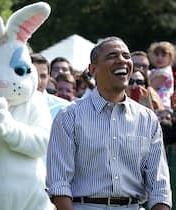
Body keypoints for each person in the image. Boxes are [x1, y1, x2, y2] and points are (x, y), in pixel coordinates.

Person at [46, 36, 172, 210]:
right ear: (93, 69)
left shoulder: (148, 119)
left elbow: (160, 187)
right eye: (112, 56)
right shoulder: (69, 116)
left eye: (126, 56)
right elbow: (58, 183)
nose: (122, 60)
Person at [31, 53, 70, 119]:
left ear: (48, 77)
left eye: (43, 76)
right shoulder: (10, 105)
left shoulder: (64, 108)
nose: (38, 81)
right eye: (33, 75)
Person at [148, 41, 175, 110]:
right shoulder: (157, 71)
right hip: (156, 103)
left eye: (163, 55)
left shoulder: (164, 73)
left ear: (170, 58)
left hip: (161, 105)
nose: (159, 58)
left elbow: (151, 88)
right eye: (157, 55)